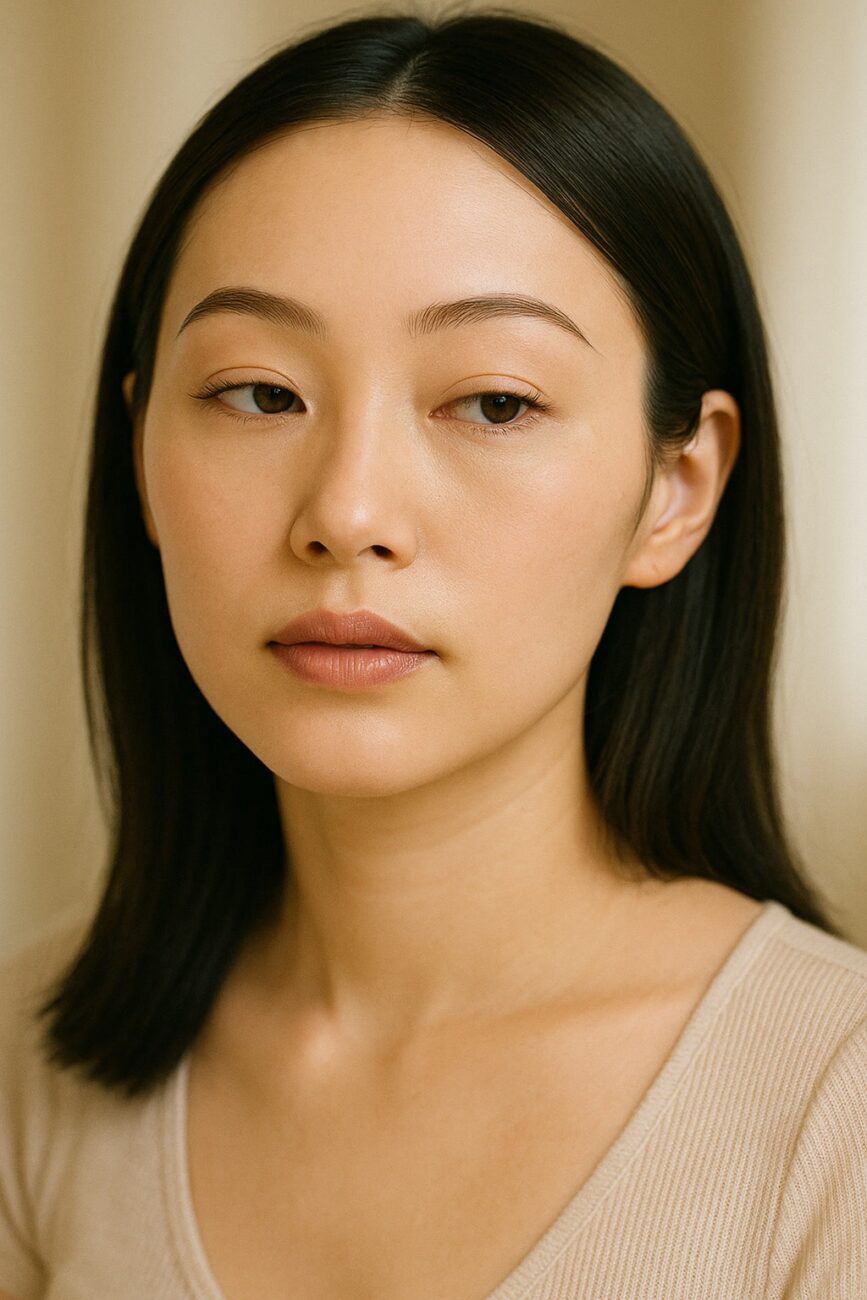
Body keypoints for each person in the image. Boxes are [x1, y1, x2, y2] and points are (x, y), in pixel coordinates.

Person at [1, 5, 865, 1298]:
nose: (348, 511)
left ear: (675, 488)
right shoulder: (29, 1069)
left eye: (494, 401)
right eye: (259, 392)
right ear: (140, 454)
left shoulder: (832, 1113)